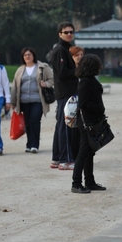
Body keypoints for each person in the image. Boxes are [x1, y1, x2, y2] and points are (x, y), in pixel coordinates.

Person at [71, 54, 107, 193]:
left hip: (92, 121)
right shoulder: (85, 82)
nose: (100, 66)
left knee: (90, 152)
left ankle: (90, 181)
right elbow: (83, 104)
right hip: (87, 122)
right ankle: (76, 183)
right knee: (84, 151)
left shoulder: (90, 80)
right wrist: (98, 108)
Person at [11, 47, 54, 153]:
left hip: (38, 100)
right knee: (27, 122)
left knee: (35, 120)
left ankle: (34, 145)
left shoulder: (42, 67)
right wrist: (13, 101)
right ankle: (29, 144)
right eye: (25, 55)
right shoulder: (20, 70)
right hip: (24, 101)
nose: (27, 56)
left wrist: (46, 84)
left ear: (33, 55)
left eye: (29, 54)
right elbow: (15, 86)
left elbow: (52, 79)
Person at [50, 21, 78, 170]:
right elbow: (62, 73)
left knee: (61, 124)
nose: (69, 34)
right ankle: (65, 159)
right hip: (65, 92)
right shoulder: (61, 50)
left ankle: (56, 158)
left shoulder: (66, 49)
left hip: (66, 92)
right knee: (66, 126)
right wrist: (78, 71)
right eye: (66, 32)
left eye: (71, 32)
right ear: (60, 34)